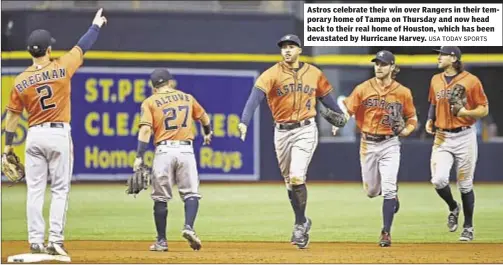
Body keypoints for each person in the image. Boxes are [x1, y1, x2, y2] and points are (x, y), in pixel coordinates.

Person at [1, 9, 107, 256]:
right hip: (58, 134)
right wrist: (96, 24)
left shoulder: (19, 81)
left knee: (35, 191)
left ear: (30, 52)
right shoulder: (63, 66)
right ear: (48, 50)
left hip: (34, 136)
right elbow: (83, 45)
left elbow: (13, 116)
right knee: (60, 189)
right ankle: (55, 241)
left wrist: (7, 147)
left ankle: (35, 240)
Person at [238, 34, 347, 249]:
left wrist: (338, 118)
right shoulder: (271, 74)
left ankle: (298, 224)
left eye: (291, 46)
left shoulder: (314, 73)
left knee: (297, 176)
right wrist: (244, 121)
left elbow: (328, 100)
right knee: (290, 183)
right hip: (282, 132)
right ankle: (304, 220)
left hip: (305, 129)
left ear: (300, 50)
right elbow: (255, 98)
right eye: (284, 47)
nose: (287, 50)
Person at [338, 50, 417, 247]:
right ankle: (390, 195)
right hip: (368, 144)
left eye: (383, 64)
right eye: (377, 63)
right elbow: (348, 109)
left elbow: (412, 118)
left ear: (392, 67)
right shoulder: (363, 88)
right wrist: (339, 122)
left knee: (388, 188)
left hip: (390, 143)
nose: (379, 67)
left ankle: (386, 232)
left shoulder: (403, 92)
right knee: (372, 191)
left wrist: (406, 131)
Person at [134, 68, 213, 251]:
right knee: (191, 193)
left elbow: (145, 130)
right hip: (186, 150)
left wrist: (139, 155)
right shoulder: (187, 97)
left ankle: (161, 241)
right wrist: (207, 133)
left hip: (164, 151)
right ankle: (188, 227)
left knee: (160, 197)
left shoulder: (150, 101)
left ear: (153, 87)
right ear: (170, 83)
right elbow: (204, 118)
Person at [426, 46, 489, 241]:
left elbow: (484, 109)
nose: (438, 57)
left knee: (465, 185)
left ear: (453, 58)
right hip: (442, 137)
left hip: (464, 136)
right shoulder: (435, 80)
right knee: (438, 180)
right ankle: (453, 206)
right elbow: (434, 102)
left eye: (442, 54)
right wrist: (430, 119)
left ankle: (468, 227)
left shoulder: (471, 80)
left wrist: (466, 113)